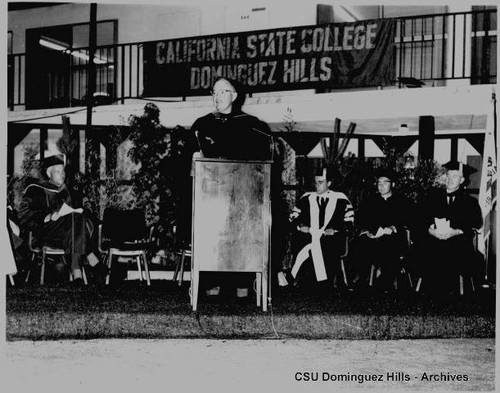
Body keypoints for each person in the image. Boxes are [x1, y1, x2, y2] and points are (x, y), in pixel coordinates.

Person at [189, 76, 274, 298]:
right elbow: (192, 162)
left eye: (223, 92)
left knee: (241, 243)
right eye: (214, 92)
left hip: (242, 199)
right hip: (212, 199)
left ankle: (242, 286)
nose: (217, 97)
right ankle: (211, 285)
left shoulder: (254, 126)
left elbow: (262, 163)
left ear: (234, 95)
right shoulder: (201, 125)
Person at [17, 152, 105, 286]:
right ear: (48, 173)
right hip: (48, 233)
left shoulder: (70, 190)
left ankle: (77, 274)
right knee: (77, 220)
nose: (62, 174)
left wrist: (85, 208)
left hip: (69, 234)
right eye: (57, 172)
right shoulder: (35, 190)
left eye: (63, 171)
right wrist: (48, 216)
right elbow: (24, 213)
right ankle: (92, 258)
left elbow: (87, 207)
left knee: (78, 218)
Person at [279, 167, 354, 294]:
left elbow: (349, 222)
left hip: (331, 239)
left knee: (325, 247)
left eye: (321, 182)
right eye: (315, 182)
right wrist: (301, 225)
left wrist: (335, 230)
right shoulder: (306, 198)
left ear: (329, 183)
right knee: (306, 245)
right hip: (308, 238)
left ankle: (290, 277)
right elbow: (292, 218)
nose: (317, 185)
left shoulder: (341, 199)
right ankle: (320, 284)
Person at [417, 160, 482, 295]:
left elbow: (475, 223)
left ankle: (448, 290)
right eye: (448, 176)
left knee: (455, 249)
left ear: (462, 180)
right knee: (426, 248)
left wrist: (456, 232)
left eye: (454, 177)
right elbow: (420, 220)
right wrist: (431, 231)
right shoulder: (431, 198)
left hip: (457, 241)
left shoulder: (470, 202)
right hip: (433, 239)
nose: (450, 179)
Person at [354, 168, 414, 291]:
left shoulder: (402, 202)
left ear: (393, 184)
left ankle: (385, 280)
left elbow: (409, 220)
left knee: (390, 244)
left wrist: (394, 227)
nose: (381, 186)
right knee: (361, 243)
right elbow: (361, 219)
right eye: (379, 183)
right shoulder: (370, 201)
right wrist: (370, 231)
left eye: (385, 182)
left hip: (393, 238)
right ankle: (362, 280)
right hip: (373, 237)